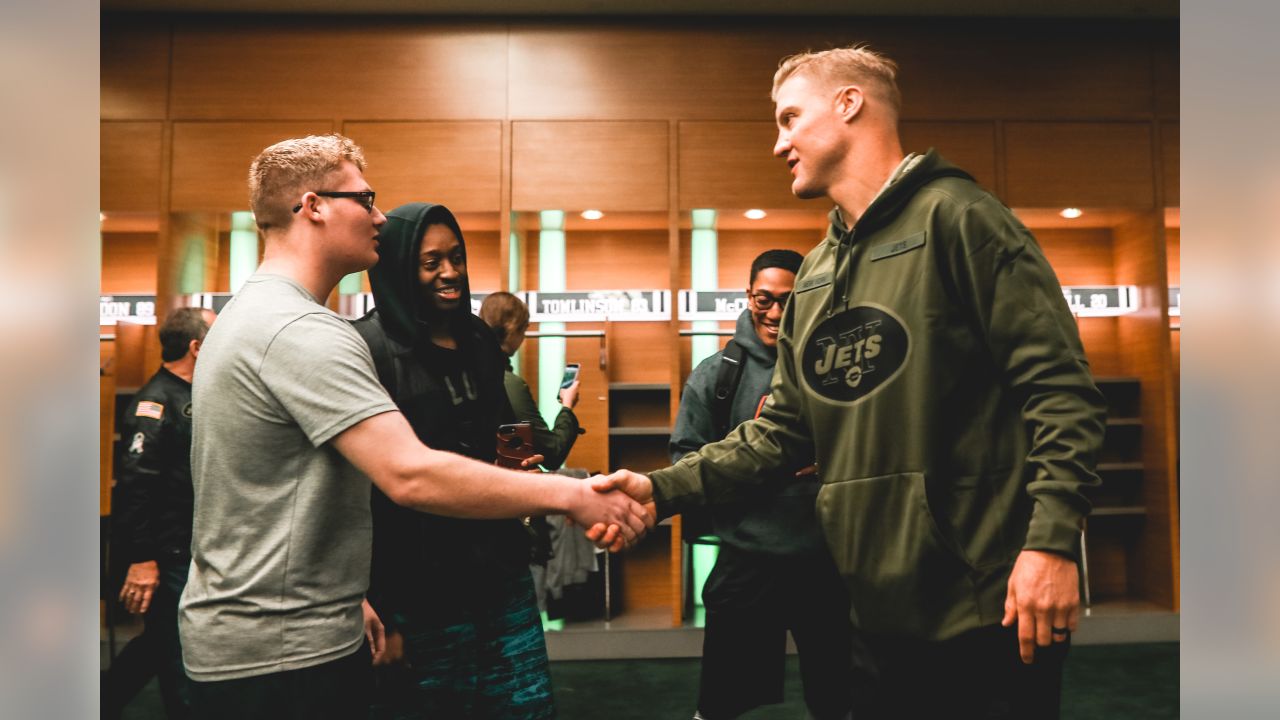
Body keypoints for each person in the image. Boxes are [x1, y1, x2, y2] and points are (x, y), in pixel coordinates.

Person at [593, 45, 1106, 718]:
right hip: (866, 611)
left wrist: (1050, 541)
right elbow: (782, 433)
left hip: (984, 604)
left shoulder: (961, 218)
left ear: (849, 104)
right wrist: (659, 490)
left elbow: (1060, 392)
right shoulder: (815, 273)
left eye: (788, 118)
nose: (778, 143)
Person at [178, 133, 651, 720]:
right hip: (283, 653)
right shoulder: (302, 331)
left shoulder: (255, 315)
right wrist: (572, 495)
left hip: (291, 633)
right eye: (364, 198)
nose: (379, 215)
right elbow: (408, 475)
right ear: (313, 206)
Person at [353, 203, 556, 718]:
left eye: (457, 257)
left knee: (524, 707)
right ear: (401, 266)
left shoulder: (479, 339)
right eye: (431, 262)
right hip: (416, 585)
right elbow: (356, 489)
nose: (450, 272)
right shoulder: (368, 348)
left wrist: (513, 471)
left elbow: (487, 437)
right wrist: (376, 601)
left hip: (499, 570)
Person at [670, 249, 864, 720]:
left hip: (826, 557)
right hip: (748, 558)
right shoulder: (718, 375)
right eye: (764, 299)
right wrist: (750, 468)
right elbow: (685, 457)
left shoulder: (839, 367)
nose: (775, 312)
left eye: (788, 299)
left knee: (839, 699)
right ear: (748, 296)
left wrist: (828, 461)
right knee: (720, 701)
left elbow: (874, 448)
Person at [103, 306, 215, 720]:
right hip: (166, 553)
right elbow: (136, 488)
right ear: (197, 347)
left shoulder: (193, 393)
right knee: (177, 653)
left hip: (188, 546)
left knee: (161, 645)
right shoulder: (156, 402)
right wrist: (142, 559)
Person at [480, 291, 582, 470]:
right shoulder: (507, 382)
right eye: (524, 330)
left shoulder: (471, 371)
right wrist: (567, 406)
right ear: (512, 330)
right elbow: (552, 452)